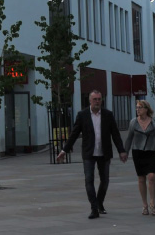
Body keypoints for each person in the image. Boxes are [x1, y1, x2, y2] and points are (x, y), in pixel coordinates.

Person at [56, 90, 127, 219]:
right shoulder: (82, 115)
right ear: (90, 100)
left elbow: (115, 134)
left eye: (99, 99)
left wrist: (121, 150)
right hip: (89, 153)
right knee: (89, 180)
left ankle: (99, 202)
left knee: (105, 180)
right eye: (95, 99)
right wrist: (64, 150)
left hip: (104, 153)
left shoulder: (108, 115)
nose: (97, 102)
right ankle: (94, 208)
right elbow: (74, 134)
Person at [124, 100, 155, 216]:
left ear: (146, 109)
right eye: (137, 108)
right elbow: (129, 138)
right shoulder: (133, 122)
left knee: (151, 176)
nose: (138, 110)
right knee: (141, 178)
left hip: (151, 152)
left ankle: (152, 203)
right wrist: (125, 152)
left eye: (140, 107)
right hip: (138, 152)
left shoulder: (154, 122)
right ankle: (144, 205)